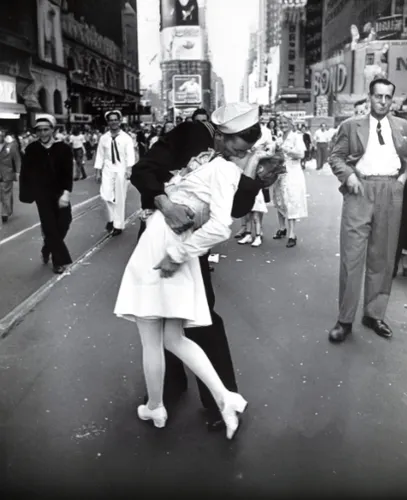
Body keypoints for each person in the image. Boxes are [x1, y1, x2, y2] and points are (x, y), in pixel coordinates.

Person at [129, 103, 279, 432]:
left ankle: (219, 399)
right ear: (222, 134)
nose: (238, 150)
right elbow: (143, 171)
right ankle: (166, 389)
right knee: (157, 313)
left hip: (193, 243)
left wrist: (254, 179)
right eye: (236, 142)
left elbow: (235, 211)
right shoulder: (191, 134)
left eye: (247, 146)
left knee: (201, 315)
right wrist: (165, 204)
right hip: (159, 231)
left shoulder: (244, 158)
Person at [328, 78, 407, 343]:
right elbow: (335, 157)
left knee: (383, 257)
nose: (383, 102)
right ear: (369, 97)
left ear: (393, 100)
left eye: (388, 97)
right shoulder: (351, 126)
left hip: (391, 190)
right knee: (352, 257)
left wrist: (402, 181)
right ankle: (345, 320)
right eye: (378, 96)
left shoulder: (403, 127)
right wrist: (348, 175)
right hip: (359, 191)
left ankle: (374, 314)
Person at [19, 114, 73, 274]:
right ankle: (58, 262)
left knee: (64, 222)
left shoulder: (63, 149)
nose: (42, 133)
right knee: (49, 226)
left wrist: (66, 193)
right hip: (41, 194)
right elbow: (26, 173)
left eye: (46, 129)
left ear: (53, 130)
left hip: (60, 192)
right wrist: (28, 193)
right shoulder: (32, 149)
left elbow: (67, 173)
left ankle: (47, 247)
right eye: (39, 130)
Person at [94, 110, 136, 236]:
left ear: (119, 121)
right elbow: (100, 155)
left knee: (119, 197)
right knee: (105, 195)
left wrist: (129, 169)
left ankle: (118, 225)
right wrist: (97, 172)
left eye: (115, 119)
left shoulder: (126, 138)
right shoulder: (104, 138)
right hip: (107, 169)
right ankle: (111, 219)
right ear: (108, 122)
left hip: (121, 169)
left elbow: (130, 155)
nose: (113, 122)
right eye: (110, 120)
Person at [272, 114, 308, 248]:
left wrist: (285, 149)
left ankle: (292, 234)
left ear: (291, 124)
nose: (282, 125)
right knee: (279, 200)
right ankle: (282, 228)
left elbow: (301, 154)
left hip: (292, 172)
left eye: (285, 123)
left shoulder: (296, 137)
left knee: (291, 201)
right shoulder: (280, 137)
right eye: (280, 123)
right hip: (280, 172)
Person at [0, 129, 21, 224]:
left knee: (6, 192)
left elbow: (17, 159)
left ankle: (5, 212)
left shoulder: (11, 145)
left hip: (6, 173)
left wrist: (18, 172)